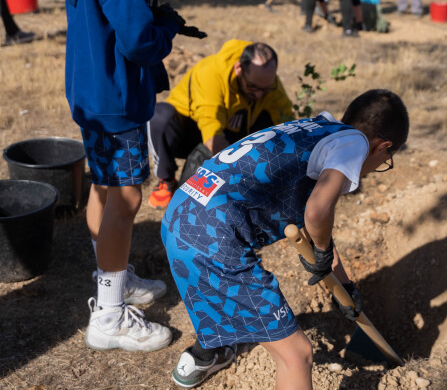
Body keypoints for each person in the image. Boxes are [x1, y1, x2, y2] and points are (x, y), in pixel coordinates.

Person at [162, 89, 408, 389]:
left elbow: (312, 225)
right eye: (384, 161)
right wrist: (322, 249)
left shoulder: (317, 128)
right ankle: (210, 350)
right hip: (213, 236)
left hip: (183, 210)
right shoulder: (355, 143)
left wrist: (344, 285)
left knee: (225, 286)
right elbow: (317, 214)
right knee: (297, 355)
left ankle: (204, 354)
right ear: (384, 147)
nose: (374, 170)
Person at [50, 0, 181, 353]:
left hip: (89, 88)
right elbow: (139, 41)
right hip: (119, 97)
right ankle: (108, 316)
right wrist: (166, 25)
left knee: (104, 188)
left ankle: (115, 279)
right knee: (126, 197)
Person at [147, 40, 293, 208]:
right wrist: (238, 174)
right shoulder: (211, 72)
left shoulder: (267, 83)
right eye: (253, 87)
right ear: (238, 68)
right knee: (160, 117)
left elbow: (287, 124)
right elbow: (211, 130)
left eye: (265, 89)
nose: (259, 95)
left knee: (277, 132)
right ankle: (166, 180)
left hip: (231, 129)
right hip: (192, 129)